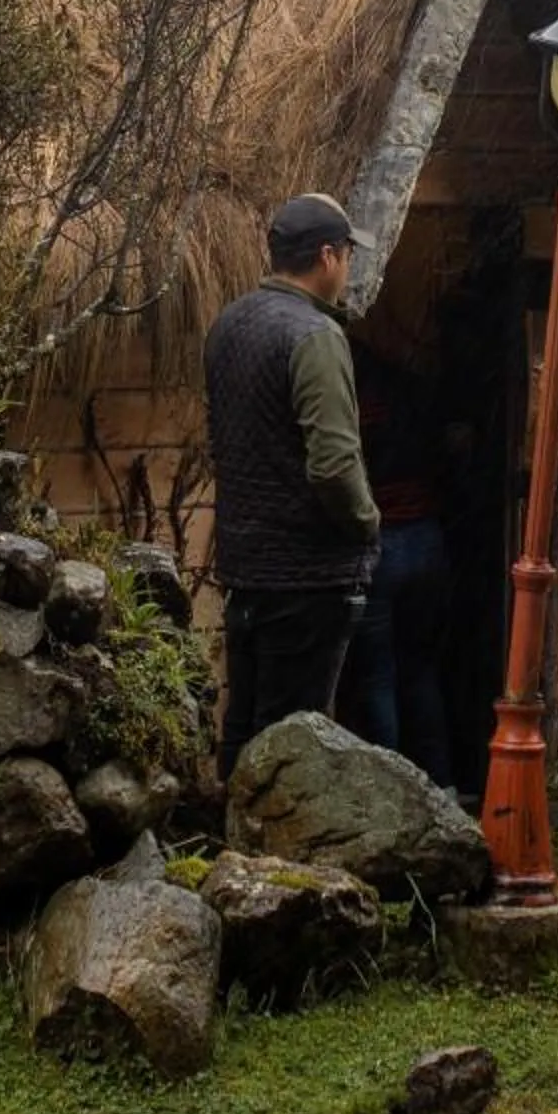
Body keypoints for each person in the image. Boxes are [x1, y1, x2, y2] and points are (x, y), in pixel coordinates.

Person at [207, 193, 382, 779]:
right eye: (348, 255)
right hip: (309, 575)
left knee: (244, 725)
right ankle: (275, 842)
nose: (348, 268)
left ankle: (228, 831)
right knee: (294, 744)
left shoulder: (229, 324)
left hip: (244, 566)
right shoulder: (315, 336)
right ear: (328, 257)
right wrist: (367, 523)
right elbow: (333, 463)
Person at [334, 344, 456, 789]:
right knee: (420, 669)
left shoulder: (351, 406)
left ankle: (391, 792)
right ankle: (441, 783)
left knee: (376, 676)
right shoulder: (408, 395)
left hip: (380, 544)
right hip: (427, 537)